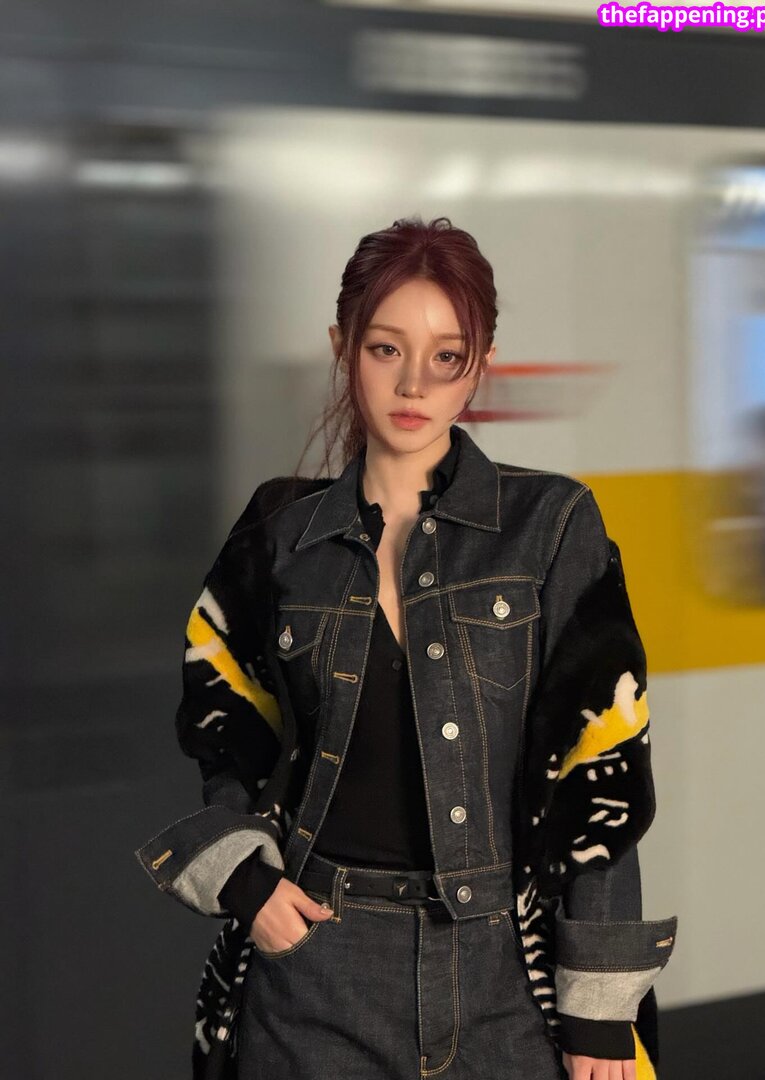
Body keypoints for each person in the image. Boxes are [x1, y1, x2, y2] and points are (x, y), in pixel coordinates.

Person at [135, 216, 677, 1080]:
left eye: (447, 356)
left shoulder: (551, 526)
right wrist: (246, 877)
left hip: (502, 978)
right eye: (386, 348)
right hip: (314, 977)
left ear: (482, 363)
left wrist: (600, 1006)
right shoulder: (278, 534)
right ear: (343, 347)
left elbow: (599, 769)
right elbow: (225, 726)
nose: (414, 382)